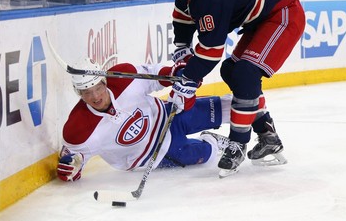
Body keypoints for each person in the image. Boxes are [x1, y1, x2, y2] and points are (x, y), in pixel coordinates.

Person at [164, 0, 305, 177]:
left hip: (283, 11)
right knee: (231, 70)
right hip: (261, 17)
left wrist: (188, 79)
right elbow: (182, 12)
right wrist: (181, 46)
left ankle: (238, 144)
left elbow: (211, 51)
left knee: (245, 72)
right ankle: (268, 136)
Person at [57, 58, 232, 182]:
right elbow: (74, 165)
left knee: (222, 109)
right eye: (87, 92)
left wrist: (175, 74)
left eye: (98, 88)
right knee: (204, 154)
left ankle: (255, 112)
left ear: (104, 81)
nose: (95, 96)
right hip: (157, 154)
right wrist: (71, 168)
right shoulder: (77, 129)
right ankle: (213, 140)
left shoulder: (122, 77)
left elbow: (155, 76)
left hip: (167, 116)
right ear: (79, 94)